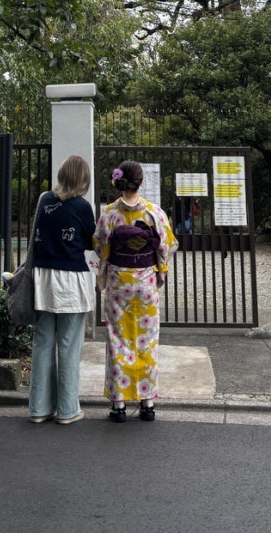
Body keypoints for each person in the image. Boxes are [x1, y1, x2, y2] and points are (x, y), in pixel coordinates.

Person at [93, 159, 177, 423]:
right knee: (146, 340)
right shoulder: (155, 213)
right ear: (141, 182)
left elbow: (100, 247)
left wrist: (106, 274)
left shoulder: (109, 213)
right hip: (145, 283)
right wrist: (159, 272)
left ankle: (118, 405)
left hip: (119, 283)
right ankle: (147, 402)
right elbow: (166, 247)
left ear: (119, 181)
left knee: (118, 340)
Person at [28, 154, 96, 425]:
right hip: (71, 280)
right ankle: (67, 410)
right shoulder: (81, 206)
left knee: (43, 342)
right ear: (83, 180)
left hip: (42, 278)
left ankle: (38, 409)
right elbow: (91, 242)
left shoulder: (45, 199)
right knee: (69, 344)